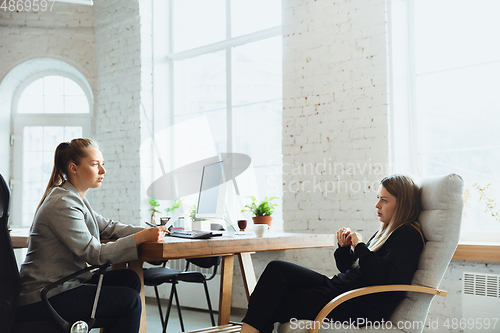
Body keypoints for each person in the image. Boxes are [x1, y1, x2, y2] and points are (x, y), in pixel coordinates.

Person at [15, 138, 167, 333]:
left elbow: (107, 227)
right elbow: (94, 254)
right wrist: (141, 238)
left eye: (102, 164)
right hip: (44, 295)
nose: (103, 171)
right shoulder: (63, 203)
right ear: (74, 168)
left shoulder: (74, 197)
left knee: (129, 279)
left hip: (65, 284)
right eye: (95, 164)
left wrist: (148, 231)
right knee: (129, 301)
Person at [240, 174, 426, 333]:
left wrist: (360, 246)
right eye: (378, 198)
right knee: (277, 270)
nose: (377, 205)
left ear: (401, 204)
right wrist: (345, 248)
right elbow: (357, 270)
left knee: (275, 299)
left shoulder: (407, 234)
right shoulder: (385, 232)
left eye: (384, 200)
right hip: (341, 288)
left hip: (357, 302)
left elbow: (385, 277)